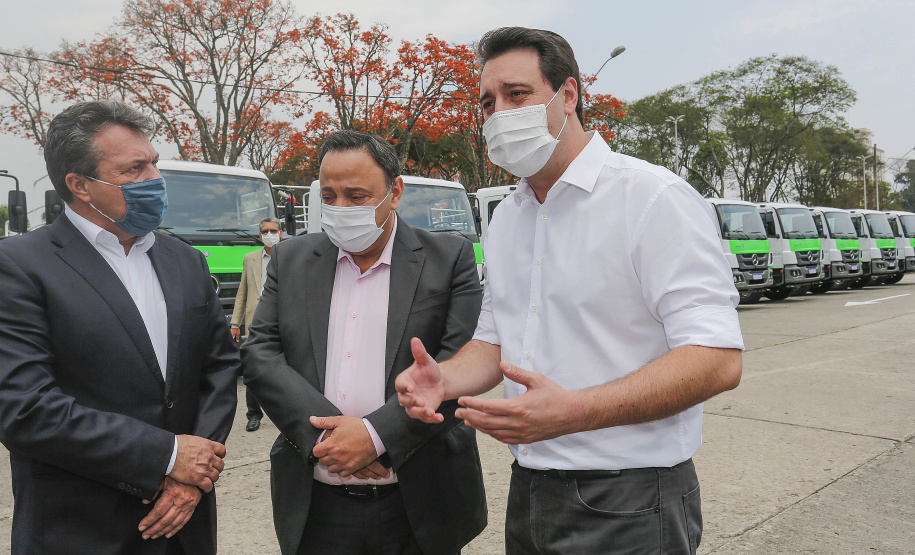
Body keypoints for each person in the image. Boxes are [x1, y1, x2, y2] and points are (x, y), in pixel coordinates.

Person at [396, 27, 744, 554]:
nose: (498, 114)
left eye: (517, 95)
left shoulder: (653, 199)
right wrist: (442, 380)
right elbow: (495, 339)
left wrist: (574, 411)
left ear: (569, 95)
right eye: (487, 103)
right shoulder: (509, 216)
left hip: (630, 497)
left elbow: (716, 359)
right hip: (531, 491)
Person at [0, 100, 239, 555]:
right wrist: (166, 457)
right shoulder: (18, 266)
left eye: (153, 163)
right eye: (135, 169)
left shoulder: (184, 259)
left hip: (185, 524)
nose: (155, 179)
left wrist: (196, 472)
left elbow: (220, 368)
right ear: (80, 185)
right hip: (81, 531)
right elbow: (24, 408)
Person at [242, 130, 487, 555]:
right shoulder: (291, 259)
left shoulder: (449, 259)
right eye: (330, 196)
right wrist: (333, 442)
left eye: (356, 196)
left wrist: (377, 437)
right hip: (317, 503)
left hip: (421, 500)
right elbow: (261, 353)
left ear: (395, 192)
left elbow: (459, 361)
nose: (340, 209)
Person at [230, 217, 283, 432]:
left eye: (273, 230)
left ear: (281, 233)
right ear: (260, 235)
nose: (269, 234)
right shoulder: (250, 258)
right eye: (265, 231)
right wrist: (235, 323)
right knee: (252, 367)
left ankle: (283, 414)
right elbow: (242, 293)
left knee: (283, 370)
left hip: (282, 321)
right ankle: (253, 415)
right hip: (255, 323)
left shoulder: (289, 255)